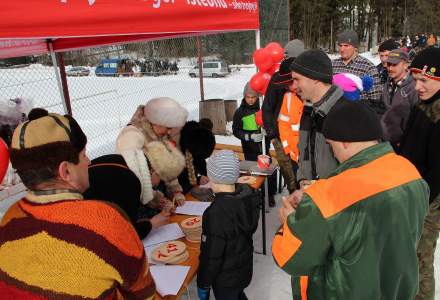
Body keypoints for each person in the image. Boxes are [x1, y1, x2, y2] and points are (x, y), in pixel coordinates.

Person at [272, 99, 429, 299]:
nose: (334, 153)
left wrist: (289, 223)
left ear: (344, 140)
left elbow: (291, 259)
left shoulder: (328, 195)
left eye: (330, 144)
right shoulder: (409, 172)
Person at [0, 111, 155, 298]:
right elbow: (143, 293)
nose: (88, 161)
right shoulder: (105, 220)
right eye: (83, 155)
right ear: (65, 170)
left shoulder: (9, 218)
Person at [398, 47, 440, 300]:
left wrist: (419, 199)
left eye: (424, 80)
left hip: (427, 200)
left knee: (421, 260)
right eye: (415, 80)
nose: (418, 87)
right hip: (413, 193)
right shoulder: (423, 105)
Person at [197, 150, 260, 300]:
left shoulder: (215, 213)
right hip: (243, 271)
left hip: (225, 280)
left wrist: (203, 283)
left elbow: (211, 255)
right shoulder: (247, 197)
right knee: (238, 294)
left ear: (213, 178)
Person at [116, 97, 187, 208]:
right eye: (168, 127)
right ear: (156, 122)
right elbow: (131, 181)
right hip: (138, 202)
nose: (169, 132)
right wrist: (157, 199)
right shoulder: (131, 137)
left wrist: (175, 191)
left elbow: (167, 165)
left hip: (155, 194)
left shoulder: (156, 133)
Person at [84, 154, 170, 239]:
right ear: (152, 171)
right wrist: (152, 223)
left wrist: (154, 201)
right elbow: (127, 232)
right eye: (160, 176)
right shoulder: (130, 181)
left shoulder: (122, 160)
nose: (155, 186)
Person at [290, 49, 342, 189]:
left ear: (314, 78)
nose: (293, 87)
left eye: (297, 79)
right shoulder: (309, 110)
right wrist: (302, 179)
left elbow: (356, 172)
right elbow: (305, 151)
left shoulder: (343, 114)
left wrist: (323, 189)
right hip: (314, 196)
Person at [262, 39, 305, 193]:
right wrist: (272, 133)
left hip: (300, 136)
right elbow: (267, 106)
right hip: (279, 134)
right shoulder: (277, 78)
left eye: (288, 58)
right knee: (289, 173)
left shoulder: (305, 80)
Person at [233, 82, 277, 206]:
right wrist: (249, 136)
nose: (251, 100)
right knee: (253, 173)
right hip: (249, 149)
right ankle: (255, 194)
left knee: (268, 171)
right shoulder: (240, 112)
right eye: (248, 97)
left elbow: (272, 126)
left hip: (263, 149)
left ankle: (270, 195)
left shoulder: (263, 109)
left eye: (253, 97)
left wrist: (266, 132)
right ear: (244, 97)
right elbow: (236, 130)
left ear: (257, 97)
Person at [332, 30, 384, 116]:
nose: (342, 49)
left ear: (355, 47)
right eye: (340, 46)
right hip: (334, 114)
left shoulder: (368, 67)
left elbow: (375, 99)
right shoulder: (333, 65)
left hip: (358, 116)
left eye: (346, 46)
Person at [380, 49, 418, 149]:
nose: (390, 68)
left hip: (404, 145)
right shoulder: (387, 84)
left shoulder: (414, 88)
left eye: (394, 65)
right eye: (389, 64)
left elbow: (416, 121)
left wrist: (405, 141)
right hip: (384, 142)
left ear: (405, 65)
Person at [178, 120, 216, 193]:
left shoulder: (198, 137)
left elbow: (200, 161)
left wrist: (210, 174)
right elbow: (177, 183)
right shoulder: (177, 151)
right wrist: (198, 180)